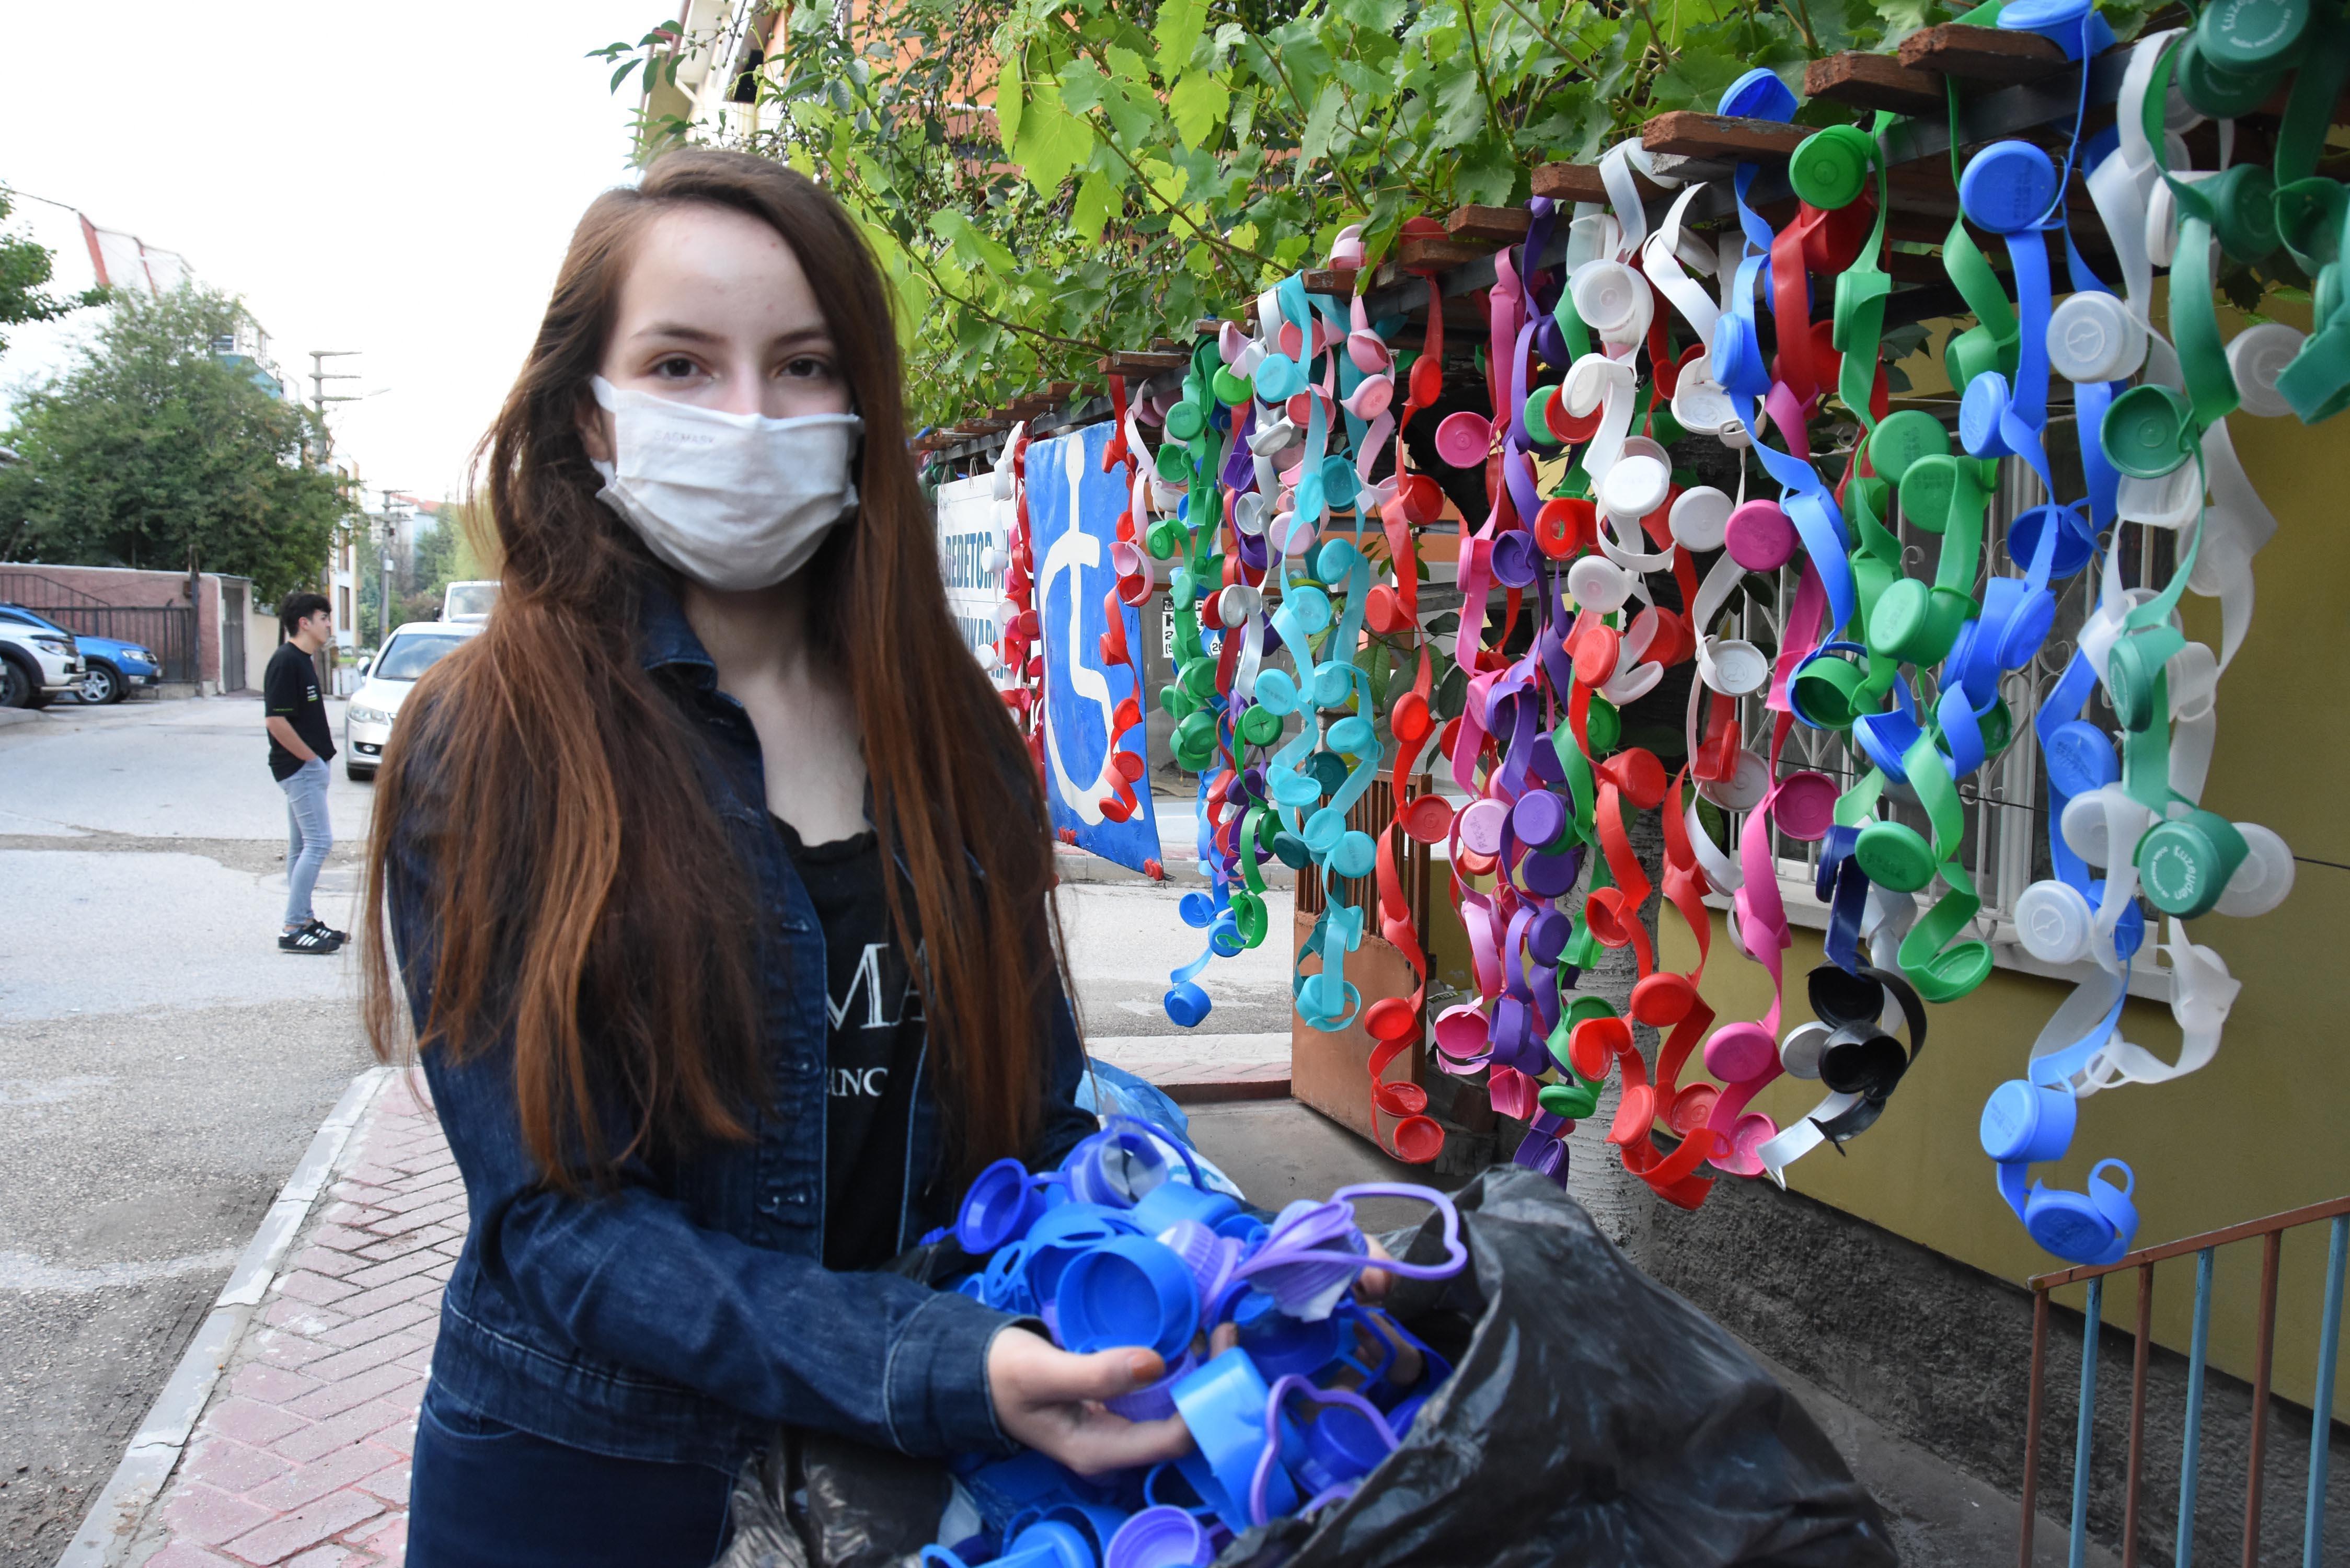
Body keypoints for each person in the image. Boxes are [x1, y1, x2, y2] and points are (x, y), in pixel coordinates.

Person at [359, 149, 1193, 1568]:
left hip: (912, 1485)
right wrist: (935, 1360)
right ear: (589, 416)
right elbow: (558, 1229)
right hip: (589, 1488)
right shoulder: (494, 737)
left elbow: (1031, 1116)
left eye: (803, 366)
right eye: (682, 367)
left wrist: (1182, 1252)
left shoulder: (953, 732)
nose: (751, 418)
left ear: (859, 405)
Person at [263, 593, 342, 955]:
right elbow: (276, 721)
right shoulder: (286, 662)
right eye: (324, 617)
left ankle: (305, 919)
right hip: (300, 770)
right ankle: (293, 927)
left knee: (301, 847)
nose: (329, 623)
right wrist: (310, 760)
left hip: (308, 769)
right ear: (304, 623)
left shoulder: (303, 661)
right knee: (320, 842)